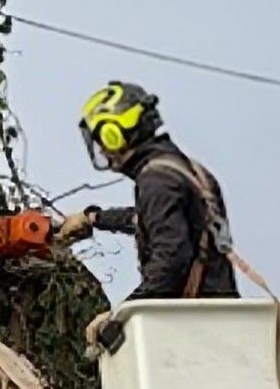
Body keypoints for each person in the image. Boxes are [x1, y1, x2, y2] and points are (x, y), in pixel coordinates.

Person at [58, 82, 238, 349]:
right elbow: (148, 220)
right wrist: (94, 219)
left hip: (199, 324)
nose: (104, 151)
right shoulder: (183, 170)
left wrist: (125, 314)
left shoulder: (157, 182)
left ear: (114, 134)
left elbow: (171, 258)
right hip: (220, 315)